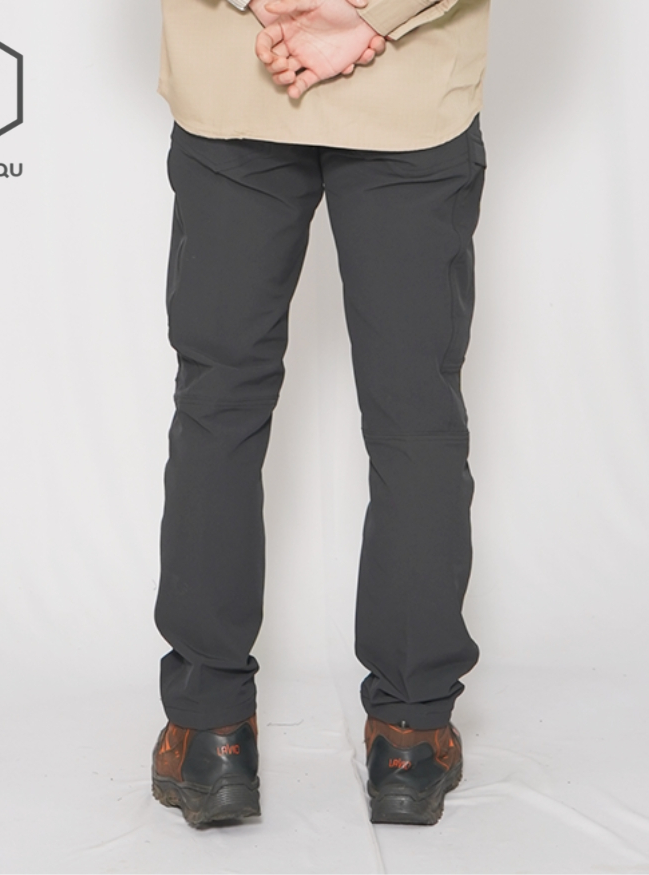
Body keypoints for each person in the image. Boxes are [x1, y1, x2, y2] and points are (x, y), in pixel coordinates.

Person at [151, 0, 490, 827]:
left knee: (219, 404)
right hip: (407, 93)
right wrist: (370, 19)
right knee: (416, 419)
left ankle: (209, 734)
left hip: (239, 79)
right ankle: (410, 736)